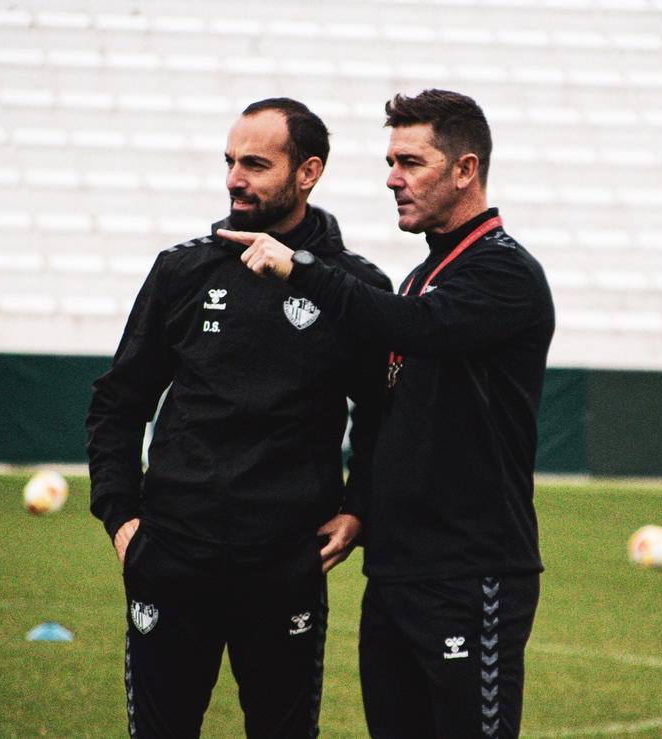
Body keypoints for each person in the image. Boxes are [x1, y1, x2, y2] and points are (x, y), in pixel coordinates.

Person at [220, 89, 555, 738]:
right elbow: (396, 417)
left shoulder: (504, 273)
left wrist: (302, 269)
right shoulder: (423, 275)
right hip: (396, 573)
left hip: (470, 572)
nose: (391, 178)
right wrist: (360, 507)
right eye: (389, 160)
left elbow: (421, 327)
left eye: (410, 161)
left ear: (465, 170)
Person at [86, 97, 391, 738]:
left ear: (307, 172)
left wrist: (359, 506)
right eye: (229, 161)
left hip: (285, 565)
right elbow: (119, 401)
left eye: (255, 164)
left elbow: (382, 414)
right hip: (170, 555)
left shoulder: (353, 287)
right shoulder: (184, 270)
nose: (233, 179)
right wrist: (121, 518)